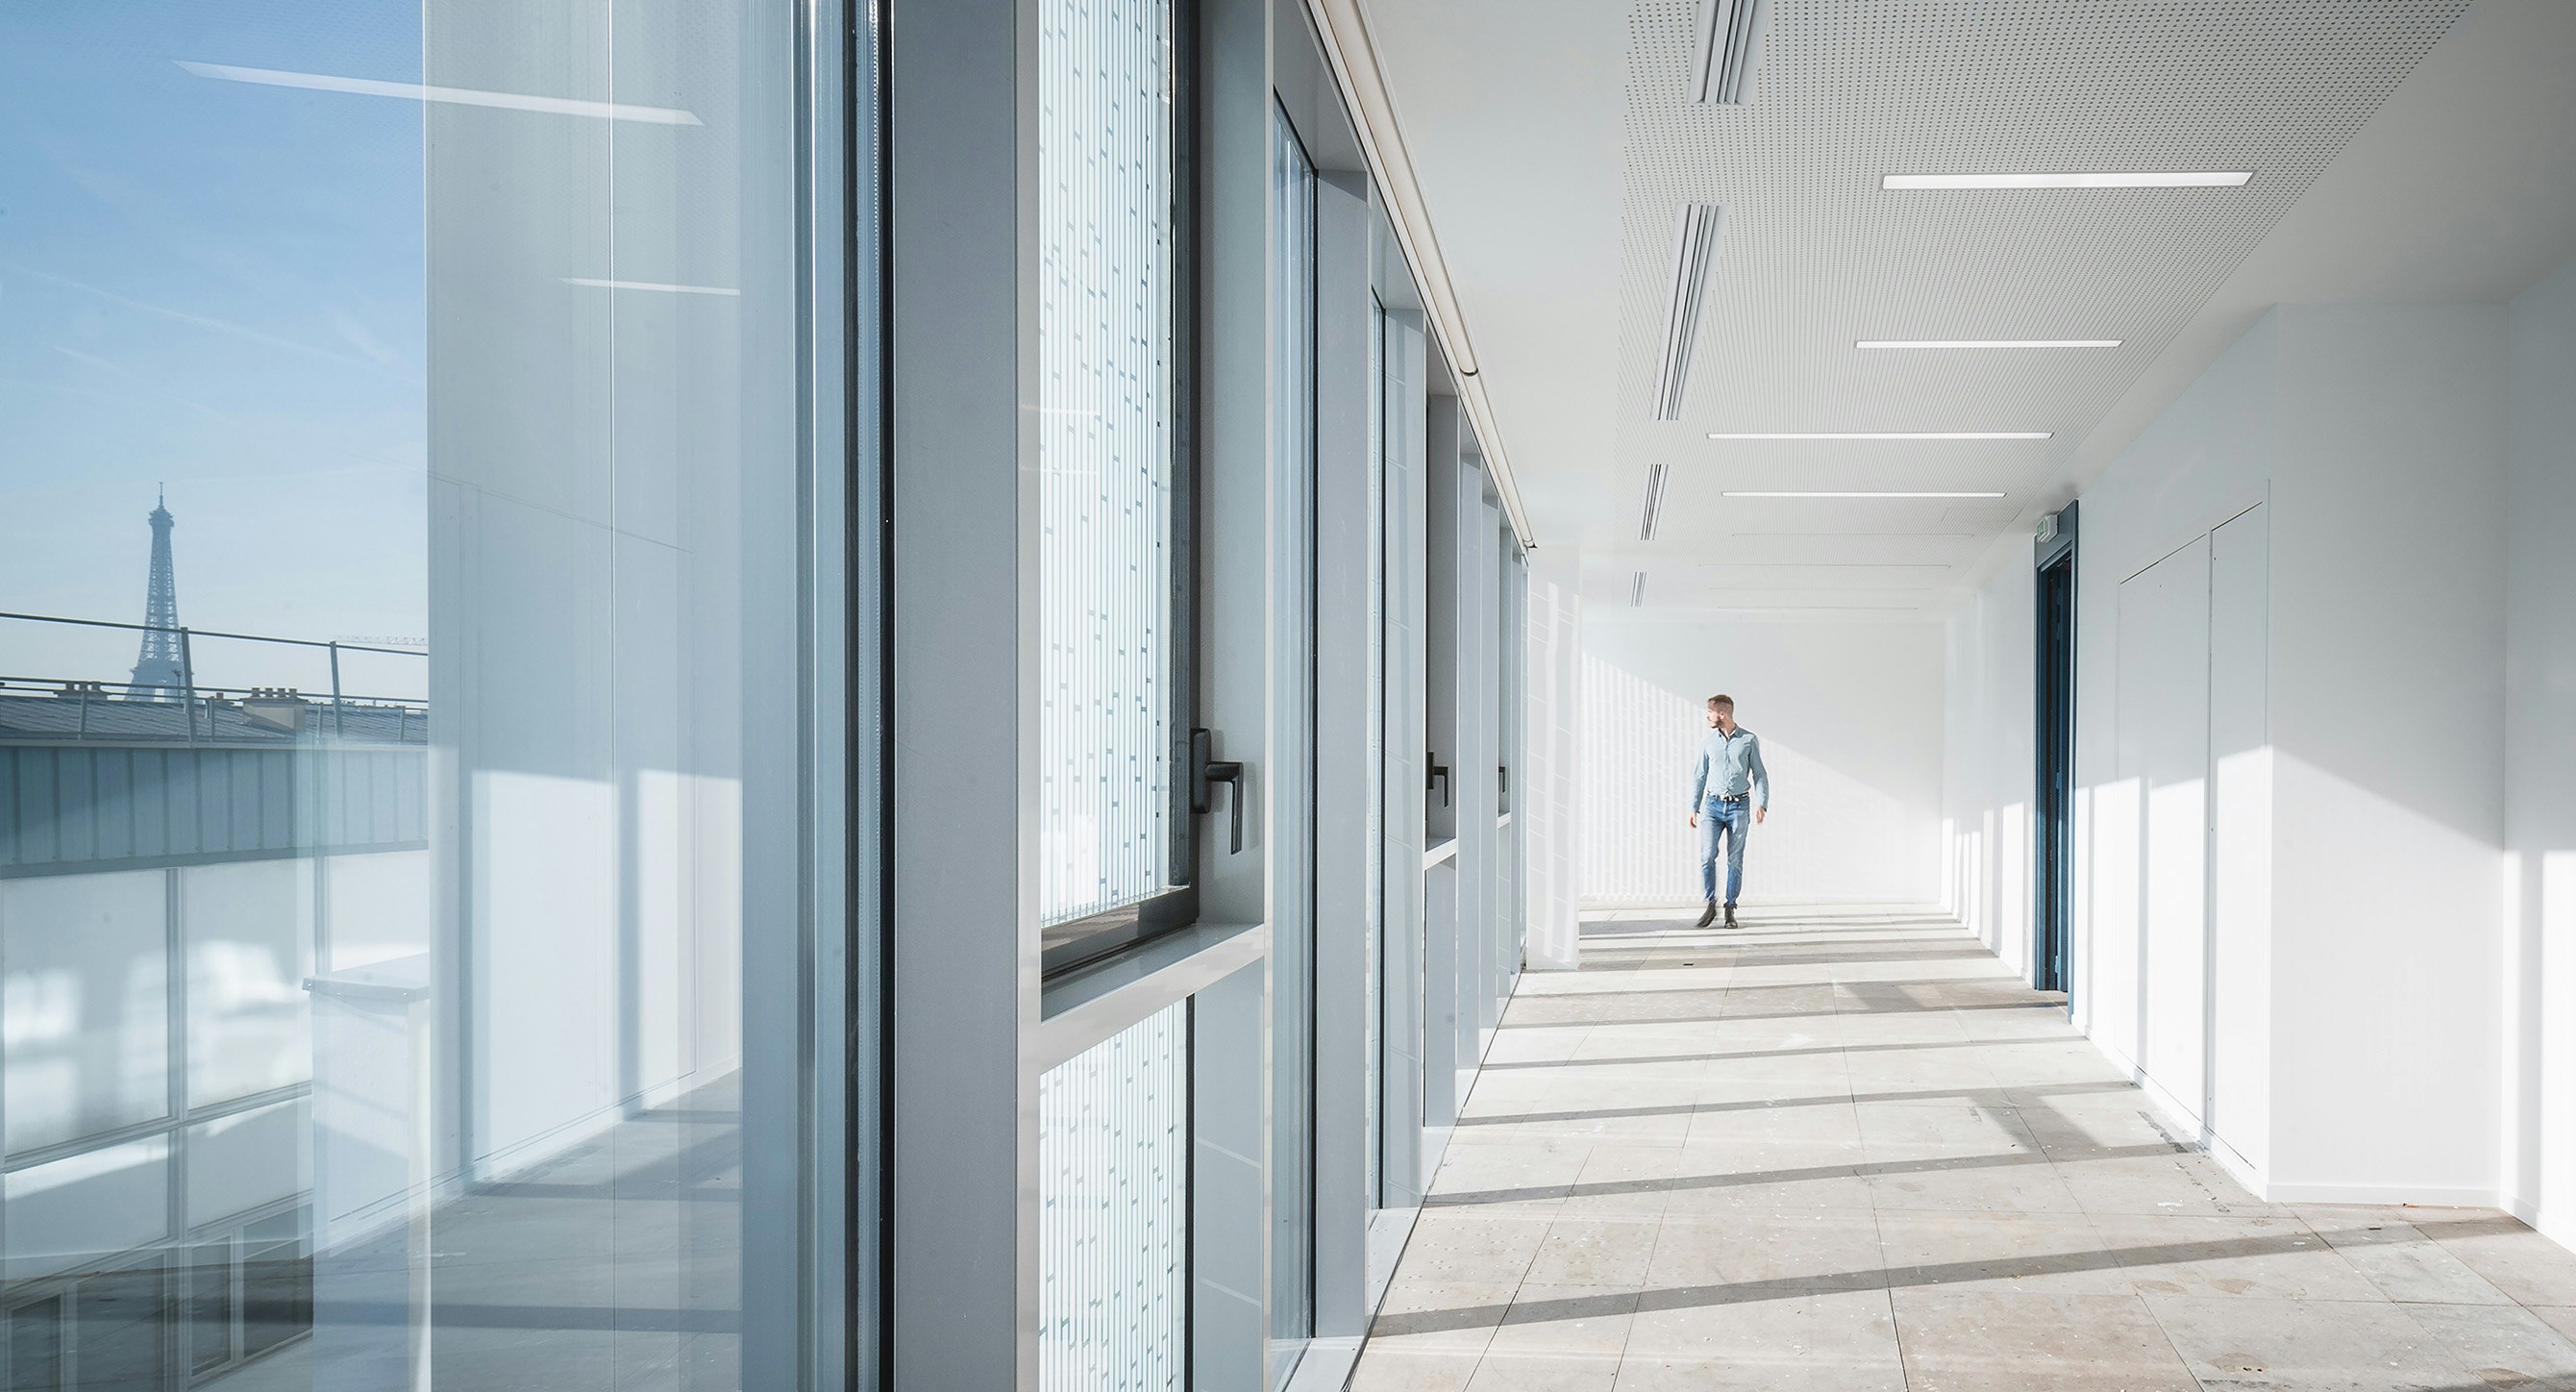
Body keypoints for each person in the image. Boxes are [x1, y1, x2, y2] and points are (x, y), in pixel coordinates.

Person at [1687, 693, 1770, 929]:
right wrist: (1694, 807)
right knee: (1707, 856)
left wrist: (1761, 803)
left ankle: (1730, 907)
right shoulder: (1708, 741)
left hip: (1739, 806)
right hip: (1712, 806)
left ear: (1722, 714)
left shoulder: (1748, 740)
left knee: (1734, 860)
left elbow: (1759, 774)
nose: (1707, 715)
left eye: (1710, 711)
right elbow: (1699, 775)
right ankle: (1710, 903)